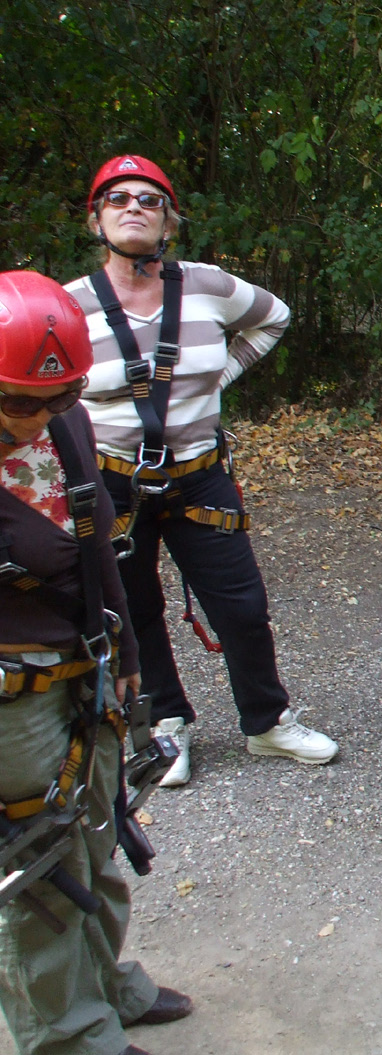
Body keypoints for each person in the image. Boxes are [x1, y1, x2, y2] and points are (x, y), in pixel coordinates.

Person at [64, 155, 338, 789]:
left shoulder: (206, 286)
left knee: (241, 604)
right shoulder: (70, 304)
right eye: (118, 199)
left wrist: (222, 377)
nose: (134, 208)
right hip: (112, 481)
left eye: (149, 200)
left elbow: (275, 317)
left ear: (169, 222)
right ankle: (166, 723)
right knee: (133, 607)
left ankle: (266, 722)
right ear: (97, 218)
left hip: (200, 473)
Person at [0, 270, 192, 1055]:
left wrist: (127, 656)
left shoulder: (66, 425)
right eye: (21, 403)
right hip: (14, 695)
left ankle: (103, 985)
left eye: (62, 395)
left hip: (87, 668)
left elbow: (97, 549)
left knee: (100, 835)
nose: (42, 417)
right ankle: (67, 1034)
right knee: (40, 862)